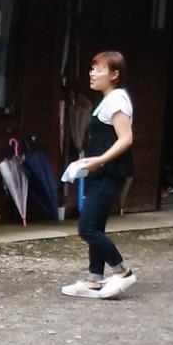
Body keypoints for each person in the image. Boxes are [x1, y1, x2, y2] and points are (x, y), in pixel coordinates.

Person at [61, 51, 137, 299]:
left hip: (109, 172)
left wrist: (99, 160)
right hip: (98, 171)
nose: (93, 73)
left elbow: (126, 139)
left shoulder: (117, 100)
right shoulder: (108, 99)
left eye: (99, 69)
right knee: (95, 225)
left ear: (115, 74)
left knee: (88, 228)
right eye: (92, 68)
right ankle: (94, 279)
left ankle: (122, 271)